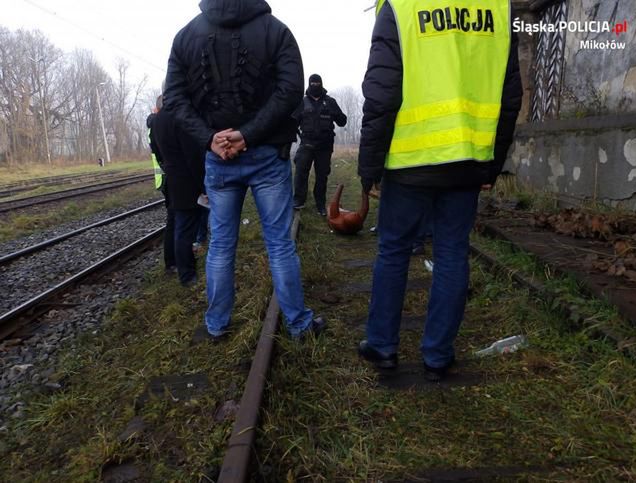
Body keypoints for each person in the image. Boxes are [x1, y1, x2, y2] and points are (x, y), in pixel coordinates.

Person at [357, 0, 523, 381]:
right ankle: (437, 355)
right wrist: (492, 163)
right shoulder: (498, 9)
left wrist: (370, 166)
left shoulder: (399, 7)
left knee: (394, 250)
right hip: (467, 159)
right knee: (452, 254)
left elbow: (381, 93)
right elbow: (510, 94)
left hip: (410, 160)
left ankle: (382, 346)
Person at [164, 0, 325, 340]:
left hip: (219, 157)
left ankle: (217, 325)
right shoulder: (275, 30)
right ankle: (299, 324)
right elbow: (290, 90)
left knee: (220, 246)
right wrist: (248, 135)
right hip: (266, 153)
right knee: (280, 245)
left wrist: (211, 139)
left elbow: (175, 99)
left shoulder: (186, 36)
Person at [149, 96, 207, 287]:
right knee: (185, 229)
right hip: (188, 181)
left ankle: (180, 267)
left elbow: (156, 151)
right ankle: (187, 275)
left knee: (178, 226)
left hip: (172, 179)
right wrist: (202, 185)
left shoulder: (157, 120)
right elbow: (192, 155)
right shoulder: (180, 117)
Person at [292, 74, 347, 216]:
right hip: (306, 145)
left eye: (317, 83)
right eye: (313, 83)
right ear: (309, 85)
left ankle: (320, 204)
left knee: (322, 176)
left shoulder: (330, 102)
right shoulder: (302, 103)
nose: (315, 86)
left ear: (321, 84)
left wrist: (336, 113)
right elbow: (292, 123)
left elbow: (343, 121)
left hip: (324, 147)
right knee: (300, 172)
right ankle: (298, 201)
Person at [147, 101, 176, 277]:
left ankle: (173, 262)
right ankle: (173, 263)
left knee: (175, 220)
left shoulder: (154, 124)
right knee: (175, 220)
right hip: (171, 178)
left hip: (165, 177)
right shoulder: (163, 123)